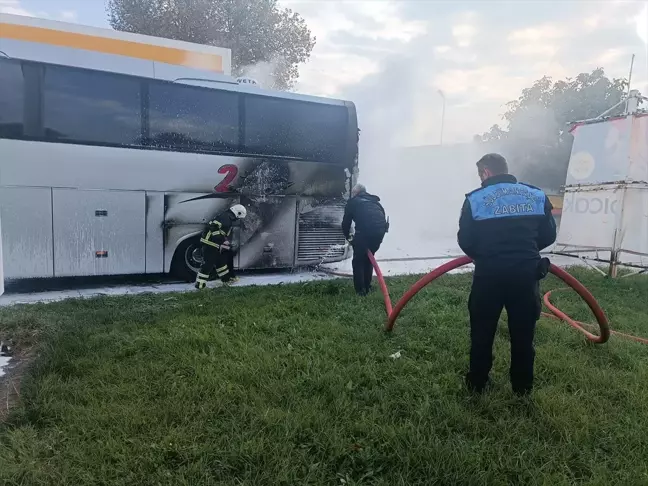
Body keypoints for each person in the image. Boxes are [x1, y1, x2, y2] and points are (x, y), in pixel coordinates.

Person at [457, 153, 556, 396]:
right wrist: (525, 251)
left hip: (488, 275)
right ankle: (522, 389)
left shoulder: (476, 199)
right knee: (523, 335)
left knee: (482, 332)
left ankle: (477, 384)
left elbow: (466, 240)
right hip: (526, 275)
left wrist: (487, 255)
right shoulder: (536, 195)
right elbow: (549, 235)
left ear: (486, 172)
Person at [342, 184, 389, 296]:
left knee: (358, 261)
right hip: (379, 233)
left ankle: (360, 291)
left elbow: (346, 223)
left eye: (353, 193)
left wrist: (348, 238)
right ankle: (367, 286)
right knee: (369, 258)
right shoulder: (374, 202)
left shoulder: (353, 202)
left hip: (365, 233)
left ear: (356, 193)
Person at [195, 204, 247, 289]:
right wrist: (223, 241)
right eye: (239, 217)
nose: (238, 219)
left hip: (215, 244)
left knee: (221, 262)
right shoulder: (226, 218)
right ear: (237, 213)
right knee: (208, 264)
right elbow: (213, 227)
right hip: (209, 243)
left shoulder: (226, 217)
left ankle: (226, 280)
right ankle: (200, 285)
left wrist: (223, 242)